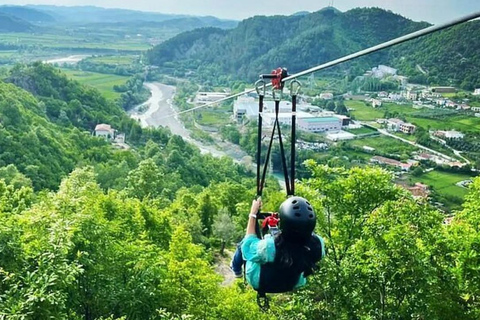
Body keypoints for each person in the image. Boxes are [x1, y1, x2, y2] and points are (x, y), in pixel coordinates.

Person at [232, 197, 325, 292]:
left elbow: (248, 245)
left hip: (261, 282)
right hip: (292, 283)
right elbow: (297, 241)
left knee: (244, 244)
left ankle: (236, 270)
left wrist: (253, 214)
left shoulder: (271, 247)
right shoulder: (318, 244)